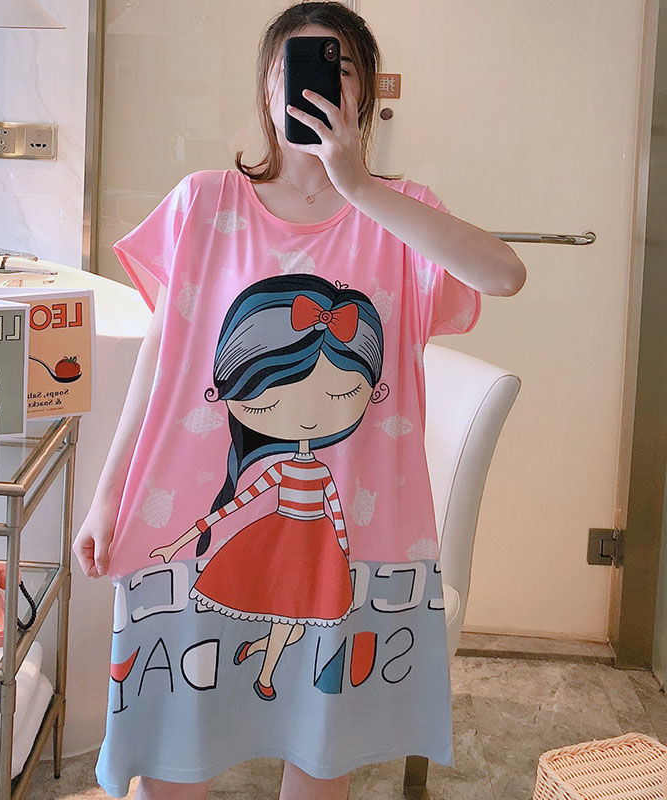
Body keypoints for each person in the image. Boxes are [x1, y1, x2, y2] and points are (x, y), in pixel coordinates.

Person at [73, 3, 526, 799]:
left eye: (339, 68)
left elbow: (504, 275)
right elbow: (160, 358)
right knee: (173, 749)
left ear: (366, 93)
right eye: (298, 68)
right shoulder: (203, 202)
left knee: (320, 757)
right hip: (199, 526)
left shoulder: (402, 212)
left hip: (344, 548)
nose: (318, 85)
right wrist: (108, 495)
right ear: (266, 87)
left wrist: (360, 187)